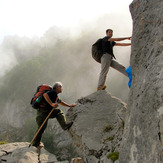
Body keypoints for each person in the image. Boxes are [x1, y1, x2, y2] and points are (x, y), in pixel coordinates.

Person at [32, 82, 76, 148]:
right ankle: (35, 144)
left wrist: (69, 106)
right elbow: (45, 95)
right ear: (57, 87)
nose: (62, 89)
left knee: (58, 112)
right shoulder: (53, 92)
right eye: (61, 87)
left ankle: (64, 125)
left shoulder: (54, 95)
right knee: (41, 128)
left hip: (46, 111)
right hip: (42, 112)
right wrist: (52, 104)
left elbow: (59, 101)